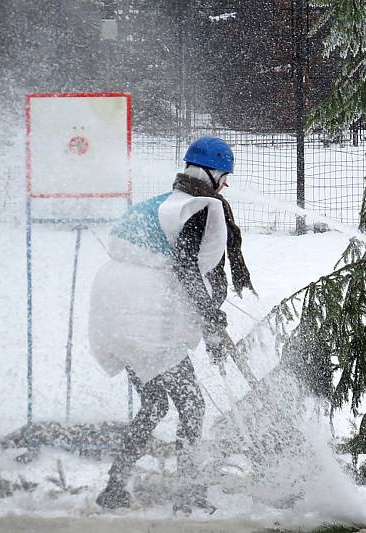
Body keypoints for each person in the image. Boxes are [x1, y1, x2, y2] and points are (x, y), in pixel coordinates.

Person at [89, 136, 254, 513]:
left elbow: (172, 269)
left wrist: (209, 322)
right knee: (192, 406)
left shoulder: (165, 205)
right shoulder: (195, 207)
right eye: (224, 176)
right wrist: (211, 316)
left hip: (111, 314)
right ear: (212, 173)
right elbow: (185, 267)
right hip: (143, 321)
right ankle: (189, 493)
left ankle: (115, 486)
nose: (225, 184)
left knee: (153, 403)